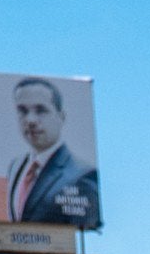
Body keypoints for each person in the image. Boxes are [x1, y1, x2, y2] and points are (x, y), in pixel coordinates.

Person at [5, 79, 101, 230]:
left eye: (41, 110)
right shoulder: (16, 166)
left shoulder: (82, 175)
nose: (30, 120)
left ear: (61, 117)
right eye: (22, 111)